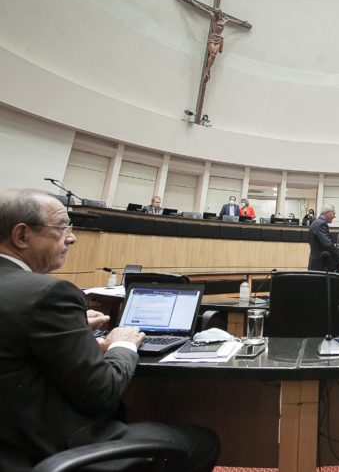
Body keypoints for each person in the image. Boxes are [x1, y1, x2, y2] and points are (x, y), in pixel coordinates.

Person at [0, 189, 220, 471]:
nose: (72, 237)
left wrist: (75, 331)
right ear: (21, 236)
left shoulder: (32, 298)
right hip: (47, 449)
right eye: (63, 227)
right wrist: (122, 344)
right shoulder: (50, 294)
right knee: (204, 440)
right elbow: (101, 394)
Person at [308, 205, 339, 273]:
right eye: (333, 213)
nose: (334, 216)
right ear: (327, 212)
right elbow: (327, 245)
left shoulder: (315, 223)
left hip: (315, 264)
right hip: (321, 265)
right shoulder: (321, 224)